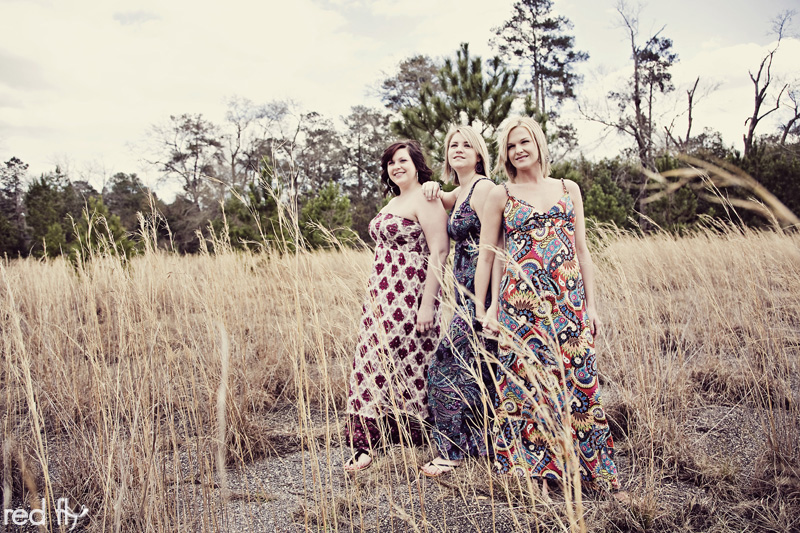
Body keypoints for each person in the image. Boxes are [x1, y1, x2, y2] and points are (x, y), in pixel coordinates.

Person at [473, 116, 623, 498]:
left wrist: (591, 307)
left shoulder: (568, 188)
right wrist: (485, 308)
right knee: (526, 387)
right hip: (520, 308)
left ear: (538, 144)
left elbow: (582, 251)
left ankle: (595, 474)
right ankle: (537, 473)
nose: (518, 150)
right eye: (510, 146)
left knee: (580, 385)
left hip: (568, 305)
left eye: (524, 142)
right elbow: (489, 255)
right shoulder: (501, 195)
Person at [344, 140, 449, 472]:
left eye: (402, 160)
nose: (396, 166)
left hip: (411, 295)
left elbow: (440, 251)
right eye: (390, 162)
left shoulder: (427, 198)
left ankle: (404, 434)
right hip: (380, 295)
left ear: (417, 164)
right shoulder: (394, 201)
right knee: (370, 360)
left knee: (401, 362)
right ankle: (370, 440)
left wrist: (428, 304)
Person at [417, 125, 499, 477]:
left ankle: (451, 451)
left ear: (479, 154)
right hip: (464, 295)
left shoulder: (484, 189)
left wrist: (484, 305)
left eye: (467, 145)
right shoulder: (463, 190)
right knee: (481, 371)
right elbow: (440, 196)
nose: (459, 149)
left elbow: (493, 250)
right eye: (453, 145)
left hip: (483, 297)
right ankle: (484, 445)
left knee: (443, 366)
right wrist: (430, 187)